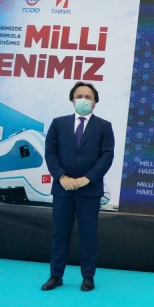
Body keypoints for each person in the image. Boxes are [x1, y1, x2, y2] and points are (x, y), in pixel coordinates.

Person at [41, 81, 115, 292]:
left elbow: (107, 156)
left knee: (88, 234)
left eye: (88, 97)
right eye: (79, 96)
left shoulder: (104, 126)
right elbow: (51, 152)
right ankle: (56, 275)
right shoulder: (58, 123)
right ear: (72, 100)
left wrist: (87, 179)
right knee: (60, 233)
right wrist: (61, 177)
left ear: (95, 102)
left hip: (89, 190)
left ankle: (88, 277)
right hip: (62, 188)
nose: (84, 100)